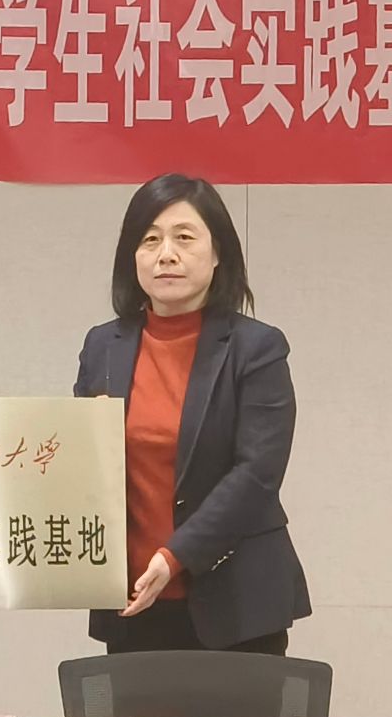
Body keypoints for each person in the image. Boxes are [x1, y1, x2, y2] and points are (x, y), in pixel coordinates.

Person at [72, 173, 311, 654]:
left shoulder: (257, 347)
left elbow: (257, 475)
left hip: (237, 602)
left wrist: (175, 556)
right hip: (131, 600)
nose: (166, 254)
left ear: (218, 252)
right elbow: (80, 470)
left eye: (184, 238)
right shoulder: (102, 346)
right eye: (150, 239)